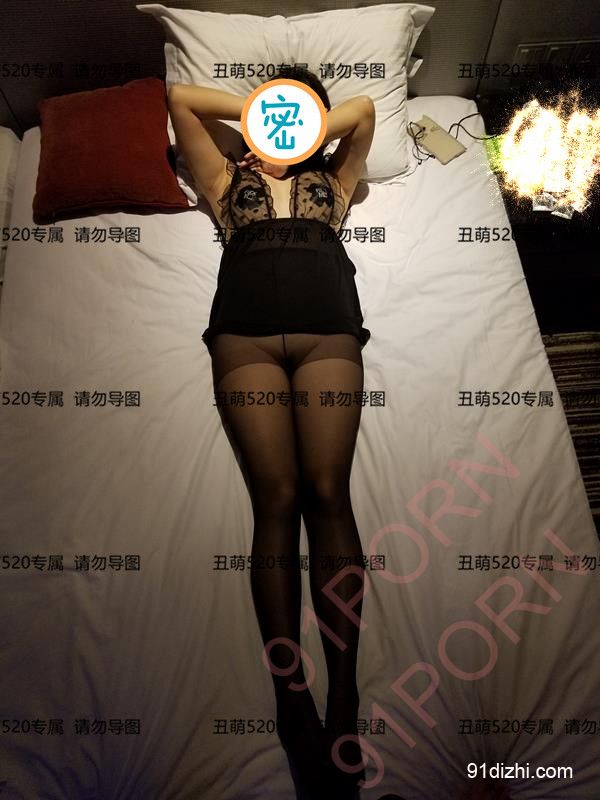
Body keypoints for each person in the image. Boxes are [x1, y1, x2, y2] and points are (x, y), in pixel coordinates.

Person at [169, 66, 375, 799]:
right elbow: (182, 99)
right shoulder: (226, 179)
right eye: (272, 108)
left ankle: (344, 696)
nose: (282, 121)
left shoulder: (336, 182)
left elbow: (364, 109)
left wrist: (303, 128)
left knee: (328, 492)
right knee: (277, 499)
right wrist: (257, 121)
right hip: (245, 336)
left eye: (296, 111)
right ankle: (292, 697)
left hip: (327, 333)